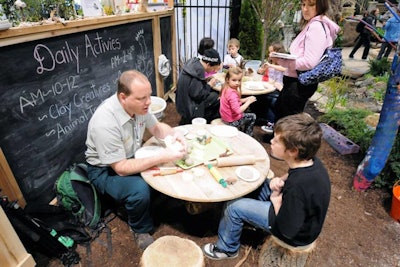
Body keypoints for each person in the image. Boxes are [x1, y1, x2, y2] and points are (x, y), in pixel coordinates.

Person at [203, 113, 331, 260]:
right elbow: (293, 174)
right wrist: (280, 180)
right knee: (259, 184)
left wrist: (276, 199)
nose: (271, 141)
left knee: (234, 207)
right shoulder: (310, 161)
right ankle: (243, 219)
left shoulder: (297, 188)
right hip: (292, 211)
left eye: (276, 141)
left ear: (293, 151)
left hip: (295, 233)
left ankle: (226, 249)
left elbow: (287, 229)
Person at [85, 70, 187, 250]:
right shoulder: (105, 122)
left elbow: (156, 128)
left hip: (130, 154)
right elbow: (121, 168)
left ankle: (147, 203)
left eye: (149, 95)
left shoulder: (139, 106)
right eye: (142, 98)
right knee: (140, 189)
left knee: (162, 169)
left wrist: (175, 133)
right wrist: (162, 156)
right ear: (123, 97)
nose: (148, 102)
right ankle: (139, 228)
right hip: (104, 169)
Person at [273, 0, 340, 124]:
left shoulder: (316, 27)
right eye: (303, 4)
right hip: (299, 81)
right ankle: (279, 140)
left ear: (321, 5)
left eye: (311, 5)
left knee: (288, 122)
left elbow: (309, 62)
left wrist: (284, 62)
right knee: (283, 112)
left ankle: (284, 142)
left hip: (298, 82)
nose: (305, 9)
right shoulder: (317, 24)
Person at [176, 48, 222, 125]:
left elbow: (193, 85)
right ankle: (209, 122)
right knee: (217, 97)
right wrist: (209, 85)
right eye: (214, 68)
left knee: (213, 93)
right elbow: (197, 95)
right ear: (208, 64)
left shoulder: (193, 63)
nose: (214, 71)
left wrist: (204, 80)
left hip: (181, 103)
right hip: (190, 107)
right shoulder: (199, 70)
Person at [257, 42, 287, 134]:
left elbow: (284, 69)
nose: (269, 54)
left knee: (271, 100)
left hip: (279, 89)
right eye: (269, 52)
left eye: (272, 52)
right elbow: (259, 71)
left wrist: (270, 66)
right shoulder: (269, 63)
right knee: (258, 97)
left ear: (279, 53)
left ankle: (272, 124)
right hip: (269, 87)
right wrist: (261, 70)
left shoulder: (284, 63)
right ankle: (262, 118)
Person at [219, 66, 257, 136]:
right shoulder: (232, 94)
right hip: (230, 122)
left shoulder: (226, 88)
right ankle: (248, 135)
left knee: (246, 112)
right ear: (228, 79)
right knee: (252, 116)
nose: (237, 83)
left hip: (225, 117)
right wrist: (249, 102)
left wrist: (247, 99)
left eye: (239, 80)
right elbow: (238, 111)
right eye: (234, 80)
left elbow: (236, 101)